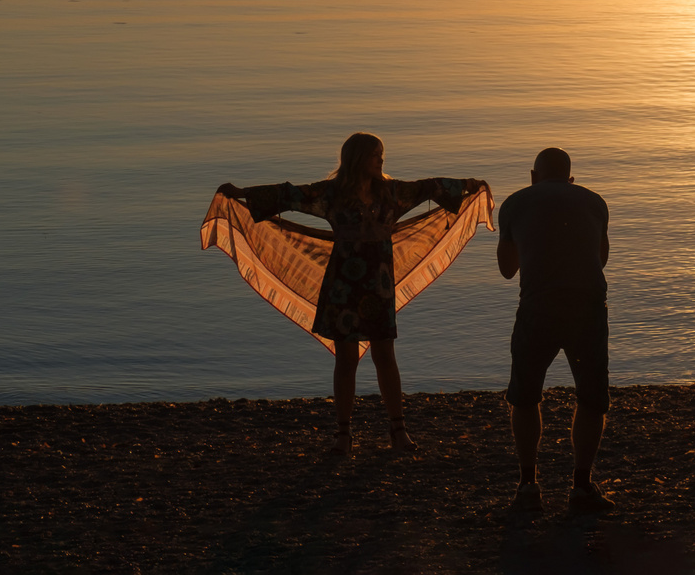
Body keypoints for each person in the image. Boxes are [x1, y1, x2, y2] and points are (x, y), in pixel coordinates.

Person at [218, 132, 486, 454]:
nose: (381, 160)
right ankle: (343, 435)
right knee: (346, 359)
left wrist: (470, 183)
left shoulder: (391, 193)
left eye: (381, 155)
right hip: (343, 285)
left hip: (380, 286)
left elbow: (432, 186)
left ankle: (398, 431)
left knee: (384, 355)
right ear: (358, 158)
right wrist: (241, 193)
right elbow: (289, 195)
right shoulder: (331, 194)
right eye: (376, 155)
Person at [496, 147, 615, 514]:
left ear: (533, 176)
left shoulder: (515, 203)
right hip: (587, 307)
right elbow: (601, 259)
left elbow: (507, 269)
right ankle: (581, 485)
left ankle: (528, 484)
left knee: (526, 395)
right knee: (591, 397)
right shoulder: (595, 202)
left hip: (538, 308)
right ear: (571, 178)